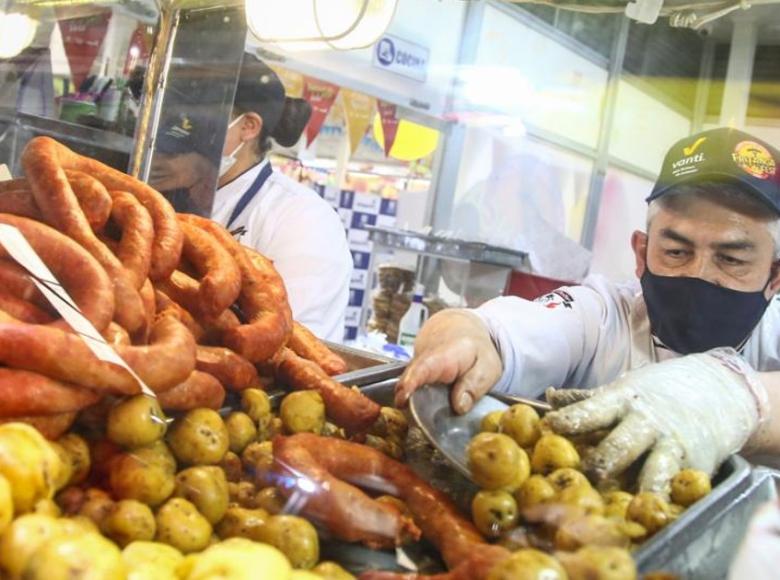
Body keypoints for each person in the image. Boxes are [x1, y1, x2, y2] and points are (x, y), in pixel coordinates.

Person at [396, 127, 780, 495]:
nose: (699, 275)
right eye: (676, 252)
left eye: (731, 259)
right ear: (642, 253)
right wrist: (459, 334)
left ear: (775, 275)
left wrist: (739, 398)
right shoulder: (602, 316)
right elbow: (487, 330)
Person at [211, 54, 352, 342]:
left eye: (195, 113)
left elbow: (289, 340)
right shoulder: (173, 191)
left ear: (247, 126)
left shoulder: (303, 218)